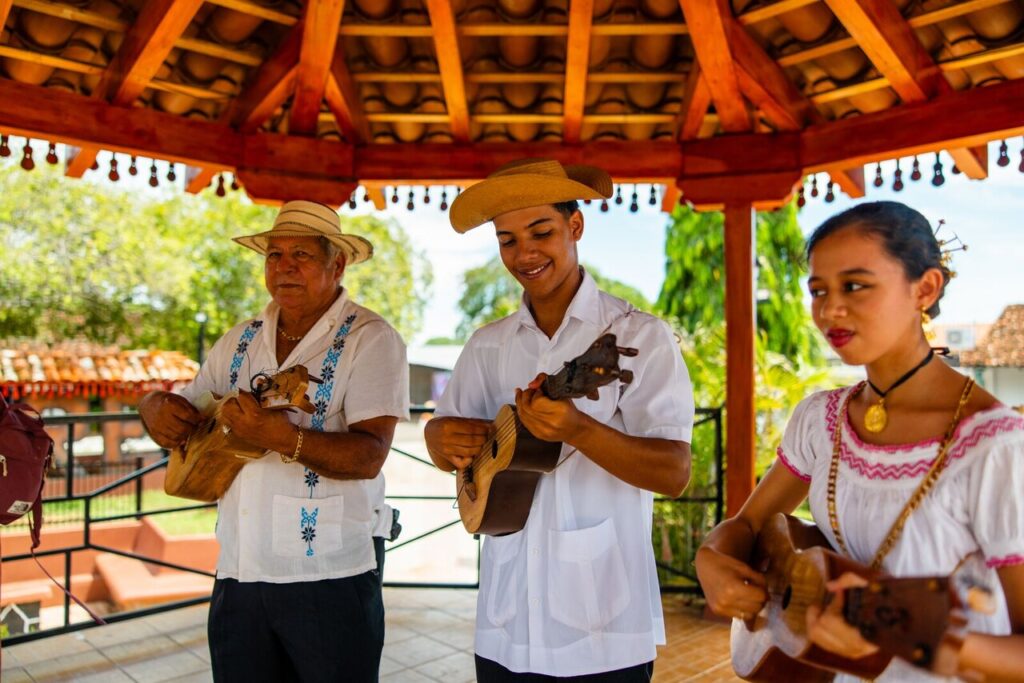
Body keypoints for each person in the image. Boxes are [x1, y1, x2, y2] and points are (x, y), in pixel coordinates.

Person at [694, 201, 1024, 682]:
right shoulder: (820, 420)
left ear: (925, 288)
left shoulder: (995, 447)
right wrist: (711, 558)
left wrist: (923, 642)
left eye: (855, 286)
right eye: (817, 290)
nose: (830, 309)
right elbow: (747, 525)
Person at [425, 158, 695, 681]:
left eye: (541, 231)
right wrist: (440, 438)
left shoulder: (637, 336)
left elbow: (674, 473)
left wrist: (579, 429)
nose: (524, 253)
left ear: (575, 227)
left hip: (604, 622)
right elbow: (448, 445)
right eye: (507, 240)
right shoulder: (488, 344)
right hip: (504, 618)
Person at [139, 200, 409, 682]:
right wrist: (153, 407)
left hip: (330, 573)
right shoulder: (239, 340)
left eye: (301, 254)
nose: (284, 266)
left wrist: (284, 438)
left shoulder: (371, 338)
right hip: (239, 569)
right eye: (274, 255)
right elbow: (184, 410)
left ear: (337, 263)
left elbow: (370, 455)